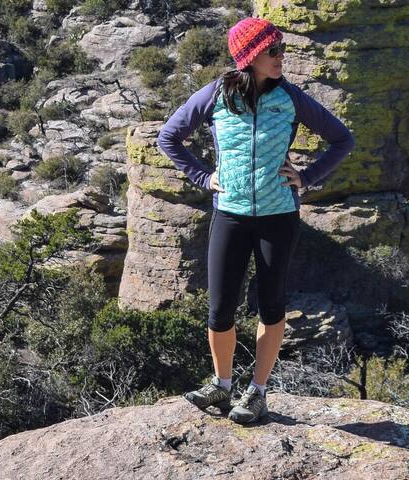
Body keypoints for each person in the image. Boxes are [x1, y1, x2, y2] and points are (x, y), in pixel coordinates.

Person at [152, 17, 355, 424]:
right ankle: (222, 386)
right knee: (220, 309)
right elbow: (168, 137)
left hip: (279, 215)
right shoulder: (216, 95)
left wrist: (308, 177)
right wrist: (202, 176)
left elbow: (342, 139)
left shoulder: (291, 98)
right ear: (249, 57)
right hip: (230, 214)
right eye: (273, 51)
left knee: (271, 306)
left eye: (282, 49)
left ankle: (258, 392)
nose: (282, 58)